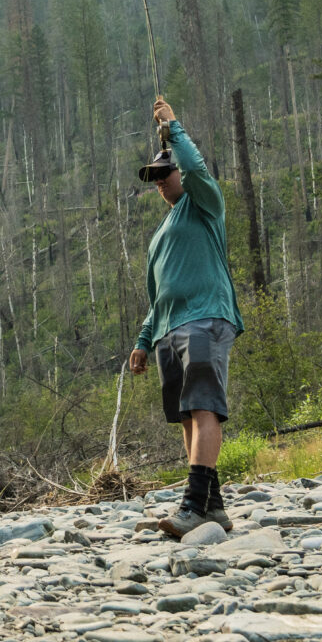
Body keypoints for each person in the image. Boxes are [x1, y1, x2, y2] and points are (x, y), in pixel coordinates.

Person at [128, 97, 244, 539]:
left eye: (165, 172)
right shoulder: (161, 234)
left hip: (206, 319)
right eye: (154, 177)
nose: (159, 181)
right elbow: (157, 294)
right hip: (168, 330)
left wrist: (172, 126)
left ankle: (192, 505)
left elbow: (196, 169)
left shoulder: (205, 205)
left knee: (203, 404)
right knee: (184, 414)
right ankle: (212, 508)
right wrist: (143, 339)